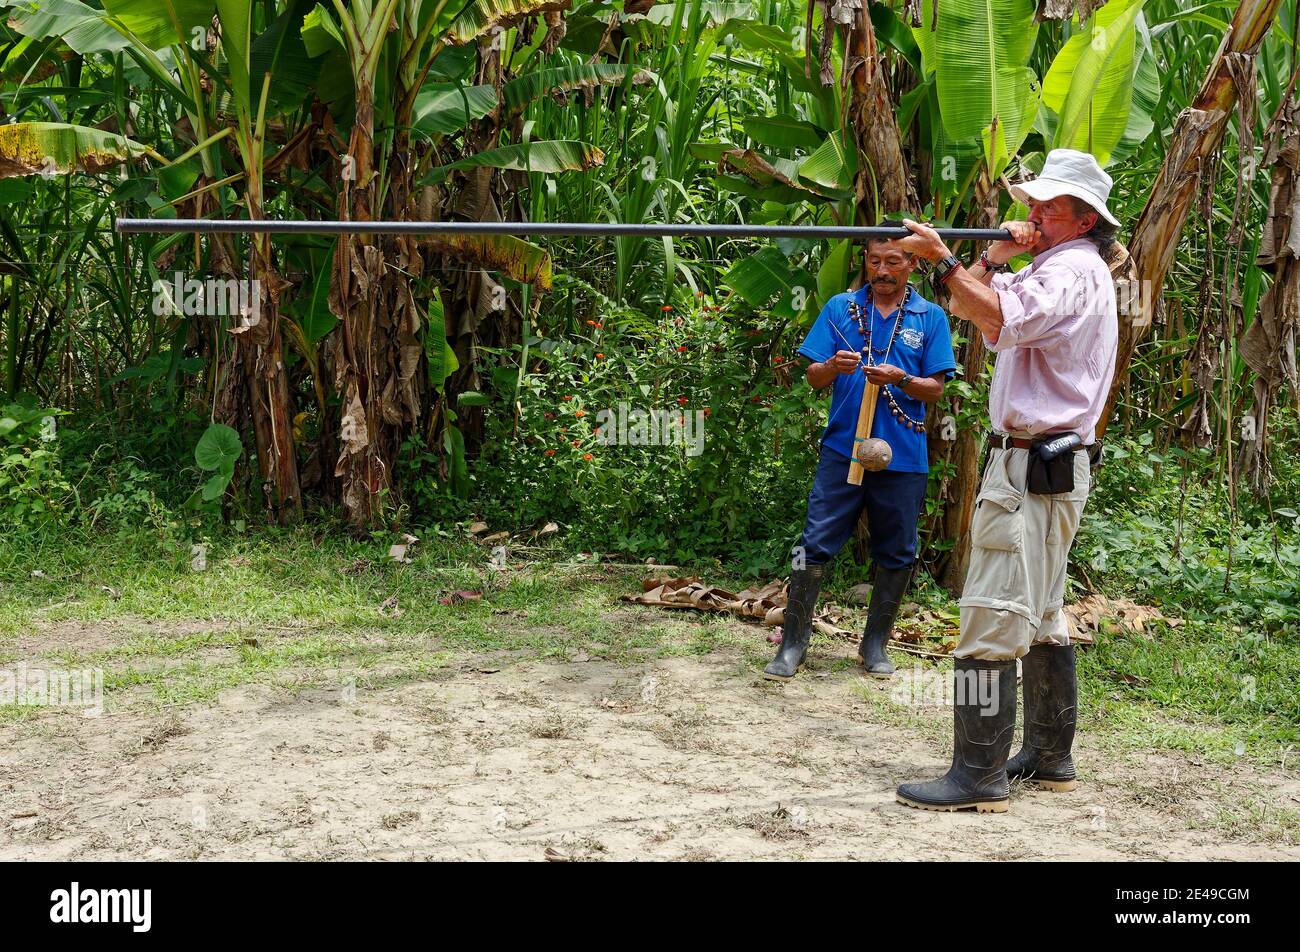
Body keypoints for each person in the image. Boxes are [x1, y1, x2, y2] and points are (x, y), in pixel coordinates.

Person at [891, 148, 1120, 813]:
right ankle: (1050, 758)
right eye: (1033, 204)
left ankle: (977, 777)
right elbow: (979, 310)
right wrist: (986, 258)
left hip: (1031, 467)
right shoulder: (1058, 267)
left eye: (1050, 208)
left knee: (991, 614)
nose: (1035, 215)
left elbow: (997, 317)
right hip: (1044, 464)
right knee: (1042, 612)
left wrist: (942, 259)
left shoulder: (1071, 271)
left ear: (1084, 220)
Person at [764, 234, 956, 681]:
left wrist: (901, 376)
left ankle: (874, 646)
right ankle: (792, 645)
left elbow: (936, 388)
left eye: (893, 261)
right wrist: (833, 366)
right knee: (810, 545)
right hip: (841, 450)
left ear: (912, 264)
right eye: (874, 261)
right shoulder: (840, 309)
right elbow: (812, 377)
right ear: (866, 263)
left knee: (899, 550)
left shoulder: (930, 318)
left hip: (903, 457)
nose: (883, 270)